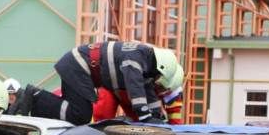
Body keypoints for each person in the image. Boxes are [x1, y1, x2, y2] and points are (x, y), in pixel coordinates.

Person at [12, 42, 180, 125]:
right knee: (81, 115)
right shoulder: (135, 60)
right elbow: (136, 90)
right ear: (160, 68)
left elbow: (147, 90)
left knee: (74, 116)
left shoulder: (144, 60)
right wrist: (146, 117)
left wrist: (158, 119)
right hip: (77, 66)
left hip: (76, 67)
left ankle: (36, 102)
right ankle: (34, 97)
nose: (157, 82)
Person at [92, 64, 185, 124]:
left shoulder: (174, 89)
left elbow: (175, 116)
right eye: (160, 87)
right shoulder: (144, 72)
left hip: (137, 98)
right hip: (113, 88)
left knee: (142, 126)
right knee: (102, 122)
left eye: (164, 90)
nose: (161, 91)